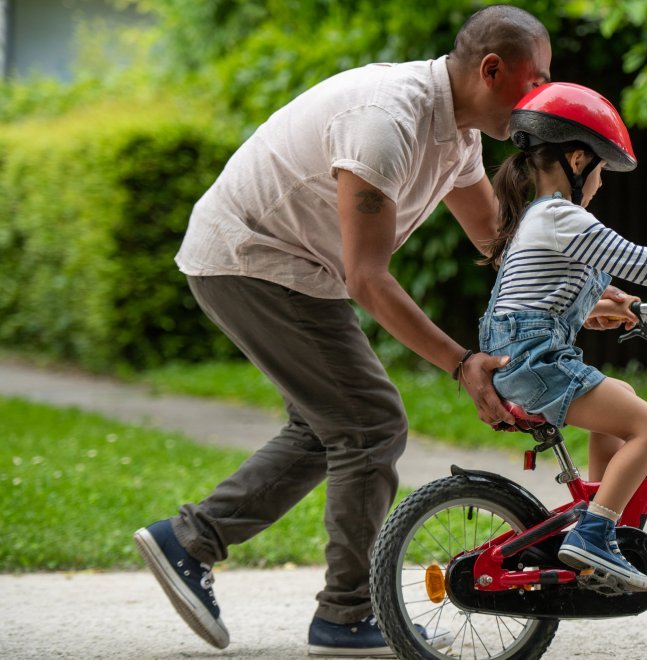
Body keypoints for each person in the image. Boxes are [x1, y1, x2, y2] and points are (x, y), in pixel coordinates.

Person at [130, 5, 584, 657]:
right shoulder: (386, 122)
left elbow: (495, 240)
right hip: (249, 257)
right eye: (535, 79)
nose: (542, 96)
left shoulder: (456, 135)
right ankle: (345, 614)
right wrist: (461, 363)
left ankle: (191, 541)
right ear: (491, 70)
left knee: (334, 426)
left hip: (290, 268)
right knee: (370, 422)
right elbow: (368, 279)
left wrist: (580, 289)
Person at [480, 82, 647, 592]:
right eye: (599, 171)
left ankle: (595, 515)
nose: (600, 184)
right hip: (536, 361)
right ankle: (596, 533)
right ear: (577, 159)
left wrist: (597, 311)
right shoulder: (562, 214)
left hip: (526, 354)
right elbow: (640, 262)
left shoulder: (541, 220)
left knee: (619, 399)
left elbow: (542, 300)